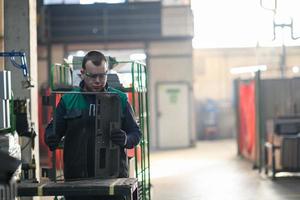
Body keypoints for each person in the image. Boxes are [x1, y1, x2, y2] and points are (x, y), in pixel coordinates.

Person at [44, 50, 141, 185]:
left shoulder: (120, 99)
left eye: (102, 76)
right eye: (92, 76)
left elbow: (135, 134)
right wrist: (51, 137)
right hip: (76, 179)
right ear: (82, 73)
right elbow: (52, 131)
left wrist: (126, 139)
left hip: (113, 179)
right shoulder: (69, 99)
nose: (97, 81)